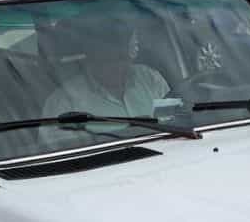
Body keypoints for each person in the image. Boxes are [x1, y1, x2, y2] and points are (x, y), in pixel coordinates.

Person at [39, 18, 169, 151]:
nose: (118, 67)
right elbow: (58, 152)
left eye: (122, 58)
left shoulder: (150, 78)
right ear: (91, 58)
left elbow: (176, 118)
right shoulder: (64, 100)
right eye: (108, 60)